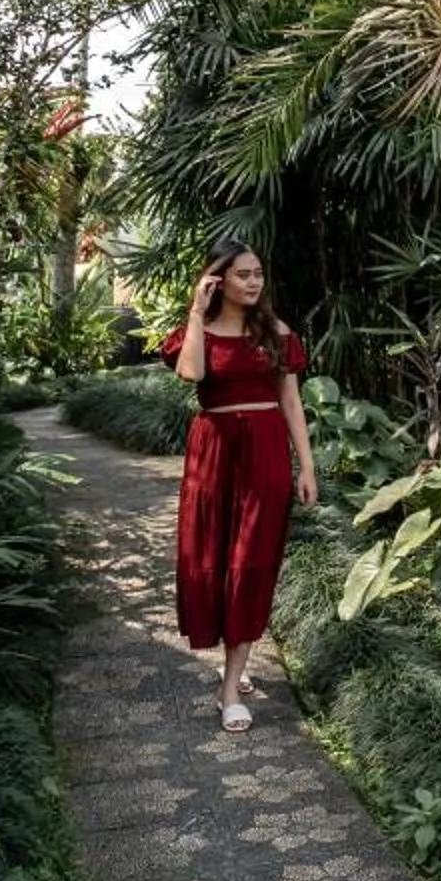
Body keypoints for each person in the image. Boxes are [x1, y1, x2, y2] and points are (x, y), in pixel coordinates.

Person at [161, 237, 316, 731]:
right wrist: (194, 314)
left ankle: (230, 687)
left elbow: (291, 403)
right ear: (218, 279)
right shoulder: (198, 331)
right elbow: (191, 374)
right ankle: (234, 661)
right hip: (214, 454)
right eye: (243, 274)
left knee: (250, 564)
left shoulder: (276, 332)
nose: (254, 282)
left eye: (258, 274)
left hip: (266, 453)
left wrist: (306, 467)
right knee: (212, 561)